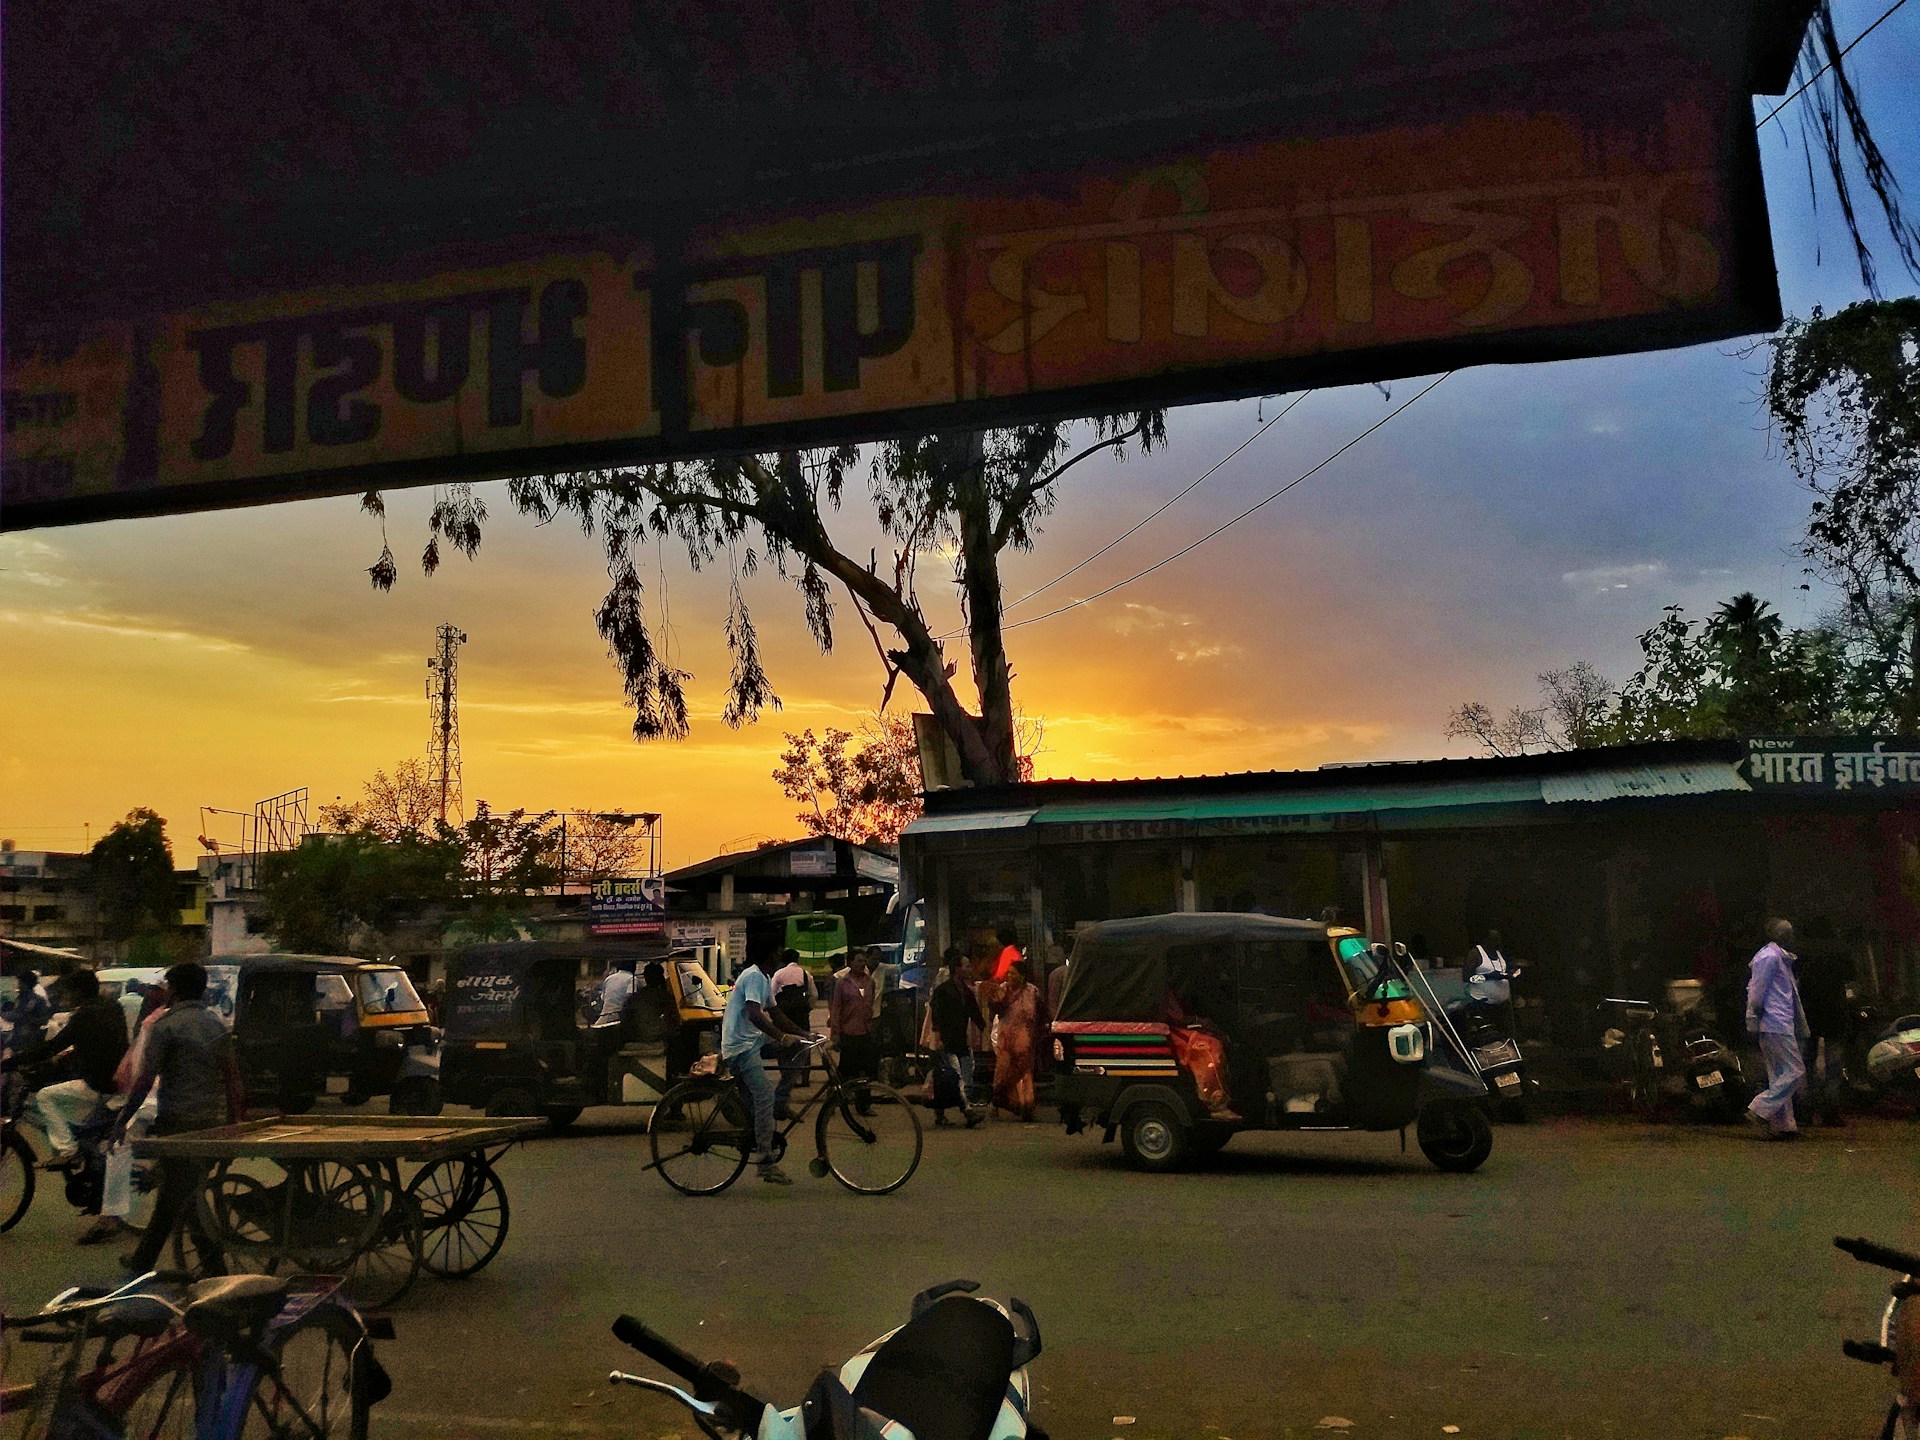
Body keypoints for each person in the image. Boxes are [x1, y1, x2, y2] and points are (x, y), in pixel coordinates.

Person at [115, 962, 246, 1272]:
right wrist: (236, 1121)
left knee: (183, 1197)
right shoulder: (215, 1025)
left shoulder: (166, 1027)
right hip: (211, 1124)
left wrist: (123, 1119)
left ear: (172, 990)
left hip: (179, 1122)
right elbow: (232, 1078)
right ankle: (146, 1261)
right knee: (180, 1195)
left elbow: (146, 1079)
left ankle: (213, 1268)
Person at [16, 970, 128, 1169]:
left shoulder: (84, 1014)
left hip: (100, 1082)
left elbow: (52, 1047)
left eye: (68, 992)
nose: (65, 997)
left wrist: (11, 1064)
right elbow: (97, 1043)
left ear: (78, 991)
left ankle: (68, 1151)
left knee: (45, 1096)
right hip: (121, 1078)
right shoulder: (112, 1007)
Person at [718, 944, 807, 1185]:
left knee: (800, 1048)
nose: (779, 956)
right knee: (763, 1096)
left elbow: (775, 1014)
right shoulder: (755, 976)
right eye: (777, 952)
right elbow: (755, 1013)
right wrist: (780, 1036)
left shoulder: (764, 977)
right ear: (768, 954)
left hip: (753, 1041)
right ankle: (766, 1163)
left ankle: (781, 1101)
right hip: (741, 1047)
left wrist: (804, 1034)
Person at [1744, 918, 1810, 1140]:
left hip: (1775, 1021)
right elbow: (1757, 992)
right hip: (1776, 1022)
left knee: (1780, 1074)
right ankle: (1760, 1108)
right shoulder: (1770, 957)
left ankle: (1783, 1124)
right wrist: (1757, 1015)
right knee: (1795, 1070)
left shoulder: (1775, 957)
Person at [930, 950, 983, 1128]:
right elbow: (936, 1017)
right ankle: (967, 1110)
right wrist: (938, 1039)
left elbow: (975, 1013)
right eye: (966, 965)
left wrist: (983, 1029)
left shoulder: (965, 992)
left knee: (965, 1075)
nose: (970, 968)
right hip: (947, 1041)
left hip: (961, 1040)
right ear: (957, 969)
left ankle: (943, 1113)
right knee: (956, 1077)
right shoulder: (943, 991)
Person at [987, 960, 1041, 1121]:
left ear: (1022, 975)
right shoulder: (1003, 989)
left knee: (1023, 1072)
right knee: (1003, 1072)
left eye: (1013, 973)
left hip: (1025, 1038)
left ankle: (1025, 1107)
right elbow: (996, 1012)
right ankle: (996, 1103)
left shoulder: (1033, 992)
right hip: (1006, 1038)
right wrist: (996, 999)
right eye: (1008, 973)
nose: (1009, 976)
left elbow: (1039, 1013)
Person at [770, 949, 815, 1120]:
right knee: (804, 1047)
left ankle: (786, 1075)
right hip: (801, 1018)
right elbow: (814, 995)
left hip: (783, 1017)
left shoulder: (779, 974)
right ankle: (803, 1077)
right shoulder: (806, 974)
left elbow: (771, 996)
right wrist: (807, 1008)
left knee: (784, 1047)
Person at [830, 948, 880, 1092]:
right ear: (850, 963)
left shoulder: (870, 982)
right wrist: (835, 1033)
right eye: (859, 961)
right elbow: (836, 1008)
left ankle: (863, 1104)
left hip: (866, 1031)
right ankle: (836, 1096)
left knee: (865, 1070)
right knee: (846, 1069)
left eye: (864, 961)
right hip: (848, 1032)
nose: (862, 964)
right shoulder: (842, 983)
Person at [3, 967, 54, 1059]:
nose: (17, 985)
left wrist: (4, 1014)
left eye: (19, 982)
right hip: (21, 1036)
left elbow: (19, 1015)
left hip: (27, 1038)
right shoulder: (22, 998)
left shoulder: (31, 1000)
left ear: (24, 984)